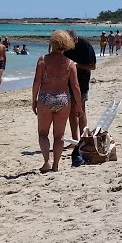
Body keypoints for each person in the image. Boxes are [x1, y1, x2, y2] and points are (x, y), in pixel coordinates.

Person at [31, 30, 82, 173]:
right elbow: (76, 87)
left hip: (45, 97)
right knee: (59, 136)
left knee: (43, 133)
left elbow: (36, 82)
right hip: (63, 99)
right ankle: (56, 165)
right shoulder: (70, 63)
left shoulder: (42, 60)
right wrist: (79, 106)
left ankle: (47, 161)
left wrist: (34, 100)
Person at [64, 29, 97, 140]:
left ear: (75, 39)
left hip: (81, 82)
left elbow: (92, 67)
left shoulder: (85, 46)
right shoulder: (65, 47)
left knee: (80, 109)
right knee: (71, 112)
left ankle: (84, 138)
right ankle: (74, 139)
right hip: (66, 83)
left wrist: (76, 66)